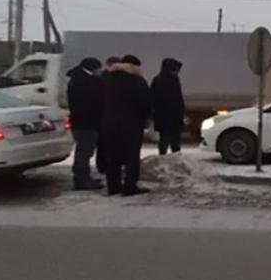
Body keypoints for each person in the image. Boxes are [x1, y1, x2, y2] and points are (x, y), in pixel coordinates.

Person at [100, 54, 151, 196]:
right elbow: (146, 102)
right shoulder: (137, 80)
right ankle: (130, 186)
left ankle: (113, 186)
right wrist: (145, 118)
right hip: (132, 124)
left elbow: (97, 100)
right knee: (131, 156)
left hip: (109, 123)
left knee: (112, 156)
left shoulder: (106, 79)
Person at [65, 57, 104, 191]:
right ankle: (81, 179)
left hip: (80, 121)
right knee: (84, 152)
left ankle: (83, 177)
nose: (100, 71)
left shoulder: (77, 79)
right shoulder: (85, 82)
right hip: (86, 122)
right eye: (98, 68)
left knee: (84, 151)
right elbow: (92, 101)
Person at [151, 57, 185, 155]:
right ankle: (175, 158)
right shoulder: (173, 80)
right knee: (173, 141)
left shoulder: (158, 80)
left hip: (164, 116)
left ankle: (164, 157)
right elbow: (178, 98)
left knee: (166, 139)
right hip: (171, 116)